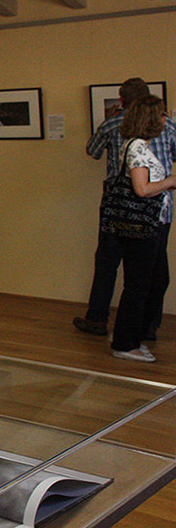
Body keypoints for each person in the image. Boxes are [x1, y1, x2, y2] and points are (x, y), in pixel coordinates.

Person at [76, 78, 176, 339]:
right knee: (151, 272)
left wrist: (107, 120)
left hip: (118, 209)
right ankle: (147, 326)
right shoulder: (168, 127)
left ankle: (98, 319)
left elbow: (92, 150)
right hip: (156, 212)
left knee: (108, 265)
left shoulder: (113, 124)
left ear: (121, 101)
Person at [108, 95, 176, 362]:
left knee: (157, 281)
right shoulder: (137, 147)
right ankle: (125, 344)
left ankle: (130, 335)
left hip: (152, 225)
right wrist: (170, 181)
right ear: (151, 119)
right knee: (139, 285)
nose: (165, 119)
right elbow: (142, 189)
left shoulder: (142, 146)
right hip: (141, 227)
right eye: (162, 115)